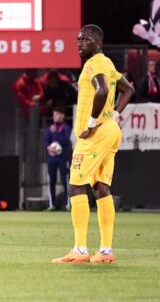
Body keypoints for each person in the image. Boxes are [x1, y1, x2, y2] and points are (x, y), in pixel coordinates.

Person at [52, 25, 134, 264]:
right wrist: (115, 114)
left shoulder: (94, 63)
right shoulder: (107, 63)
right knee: (101, 187)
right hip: (110, 130)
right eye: (78, 39)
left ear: (97, 42)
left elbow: (102, 90)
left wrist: (90, 123)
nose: (79, 43)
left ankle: (79, 250)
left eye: (85, 39)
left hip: (95, 134)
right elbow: (128, 89)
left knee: (75, 186)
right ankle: (105, 252)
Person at [44, 107, 73, 211]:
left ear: (62, 116)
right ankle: (52, 204)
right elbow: (46, 141)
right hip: (52, 158)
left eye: (57, 114)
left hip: (63, 158)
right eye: (54, 115)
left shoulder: (66, 128)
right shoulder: (50, 128)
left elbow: (66, 141)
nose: (55, 117)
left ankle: (68, 204)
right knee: (51, 180)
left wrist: (56, 133)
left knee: (65, 181)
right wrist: (49, 147)